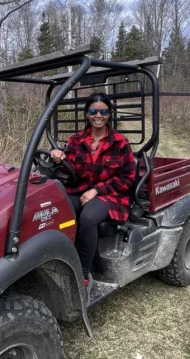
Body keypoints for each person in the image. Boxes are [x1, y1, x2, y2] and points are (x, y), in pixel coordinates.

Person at [51, 92, 136, 298]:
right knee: (56, 209)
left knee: (88, 217)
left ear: (109, 114)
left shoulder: (120, 143)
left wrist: (97, 190)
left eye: (104, 111)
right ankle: (58, 261)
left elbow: (127, 178)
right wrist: (60, 157)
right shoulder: (77, 140)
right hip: (80, 190)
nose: (99, 115)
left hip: (112, 195)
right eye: (93, 111)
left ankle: (83, 274)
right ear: (87, 114)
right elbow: (70, 168)